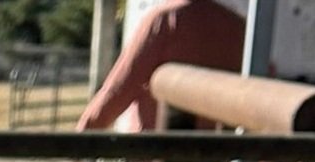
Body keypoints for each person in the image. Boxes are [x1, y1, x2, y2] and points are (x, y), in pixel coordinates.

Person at [80, 0, 250, 133]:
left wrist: (84, 134)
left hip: (158, 150)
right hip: (215, 151)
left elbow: (121, 86)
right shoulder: (236, 25)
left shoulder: (164, 20)